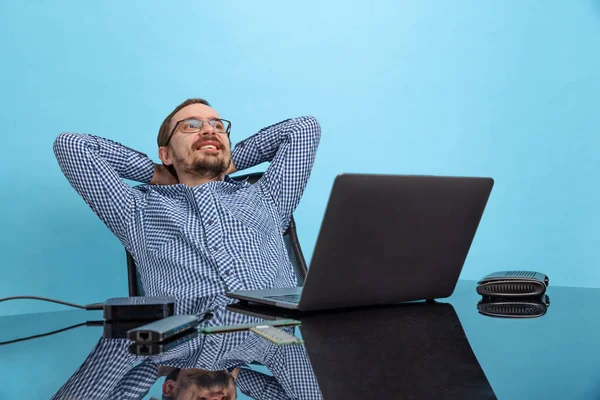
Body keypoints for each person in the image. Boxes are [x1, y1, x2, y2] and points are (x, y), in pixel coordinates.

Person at [53, 98, 321, 297]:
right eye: (190, 126)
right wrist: (157, 173)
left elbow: (303, 129)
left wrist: (226, 160)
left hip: (270, 344)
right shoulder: (136, 210)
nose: (209, 130)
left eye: (218, 126)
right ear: (166, 154)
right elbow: (72, 145)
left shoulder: (267, 197)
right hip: (187, 354)